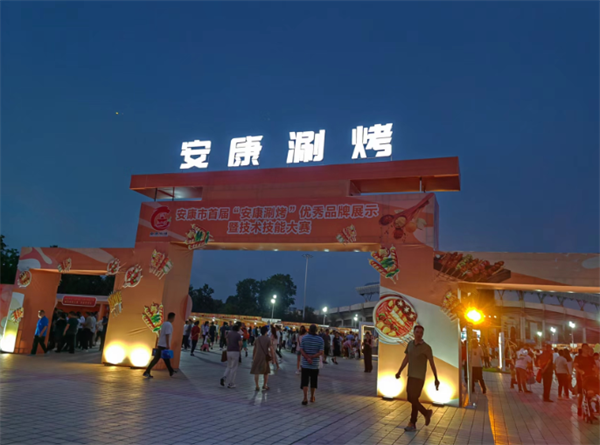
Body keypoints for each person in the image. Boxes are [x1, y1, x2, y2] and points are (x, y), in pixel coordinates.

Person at [395, 325, 439, 432]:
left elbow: (432, 363)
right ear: (414, 333)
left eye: (421, 332)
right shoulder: (410, 344)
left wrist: (436, 378)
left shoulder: (427, 348)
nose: (419, 334)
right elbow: (406, 359)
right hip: (410, 376)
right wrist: (399, 371)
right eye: (417, 332)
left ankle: (412, 422)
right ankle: (425, 413)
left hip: (419, 378)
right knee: (411, 399)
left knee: (413, 399)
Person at [144, 312, 176, 378]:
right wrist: (167, 344)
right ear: (172, 318)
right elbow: (167, 334)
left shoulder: (164, 324)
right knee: (157, 359)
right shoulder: (168, 324)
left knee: (165, 359)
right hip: (164, 345)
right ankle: (147, 371)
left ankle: (171, 370)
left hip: (161, 344)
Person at [300, 324, 324, 405]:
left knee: (305, 381)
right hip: (315, 364)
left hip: (305, 364)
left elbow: (301, 350)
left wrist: (307, 358)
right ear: (316, 330)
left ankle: (305, 398)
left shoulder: (304, 338)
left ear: (309, 330)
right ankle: (312, 397)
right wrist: (312, 357)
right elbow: (321, 352)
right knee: (313, 381)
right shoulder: (320, 339)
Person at [574, 344, 597, 416]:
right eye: (585, 348)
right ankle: (579, 407)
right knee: (581, 393)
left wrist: (596, 372)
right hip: (581, 378)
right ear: (582, 349)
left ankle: (591, 409)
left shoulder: (591, 358)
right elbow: (575, 366)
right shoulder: (578, 357)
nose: (587, 349)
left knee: (592, 391)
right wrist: (580, 371)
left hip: (590, 377)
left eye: (588, 348)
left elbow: (594, 366)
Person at [251, 325, 274, 391]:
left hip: (257, 357)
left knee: (256, 372)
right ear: (266, 332)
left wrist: (253, 357)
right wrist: (272, 357)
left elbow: (254, 349)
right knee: (266, 372)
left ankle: (257, 386)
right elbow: (271, 348)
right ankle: (264, 385)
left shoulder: (257, 339)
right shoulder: (268, 339)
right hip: (265, 358)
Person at [221, 323, 242, 389]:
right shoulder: (238, 335)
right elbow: (240, 344)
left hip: (229, 351)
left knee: (229, 366)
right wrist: (239, 349)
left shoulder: (229, 333)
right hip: (235, 351)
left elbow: (226, 340)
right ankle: (231, 383)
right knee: (234, 367)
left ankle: (224, 377)